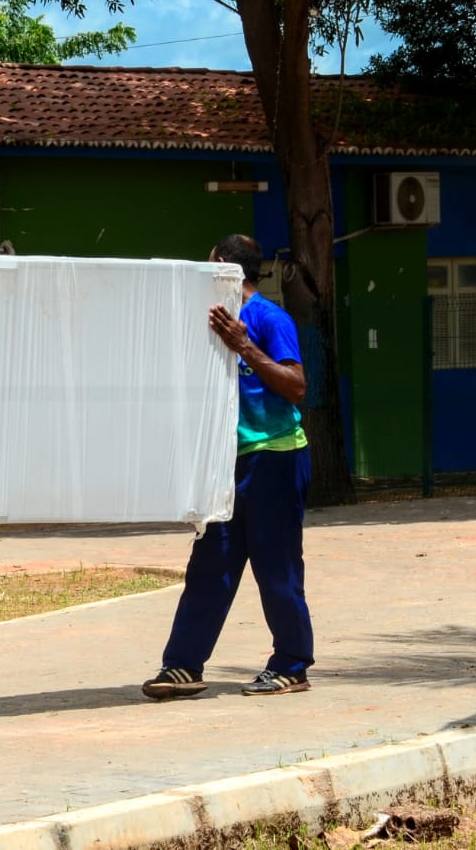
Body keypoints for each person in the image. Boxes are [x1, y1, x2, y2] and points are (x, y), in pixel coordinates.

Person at [142, 234, 314, 699]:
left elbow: (296, 386)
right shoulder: (212, 321)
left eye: (209, 266)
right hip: (225, 463)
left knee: (275, 564)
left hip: (275, 457)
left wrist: (244, 347)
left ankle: (292, 664)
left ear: (227, 271)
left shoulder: (267, 318)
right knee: (210, 564)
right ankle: (182, 666)